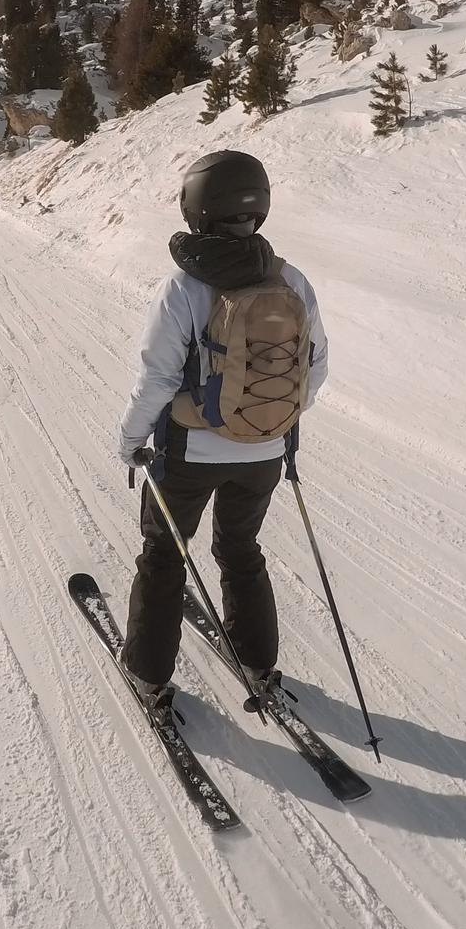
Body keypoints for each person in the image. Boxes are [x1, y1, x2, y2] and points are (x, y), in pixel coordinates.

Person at [116, 150, 327, 711]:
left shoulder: (184, 288)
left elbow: (158, 379)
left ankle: (148, 674)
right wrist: (272, 424)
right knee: (241, 550)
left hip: (188, 455)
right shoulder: (291, 279)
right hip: (266, 453)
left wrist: (130, 441)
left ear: (197, 209)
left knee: (164, 556)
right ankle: (259, 664)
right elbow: (317, 367)